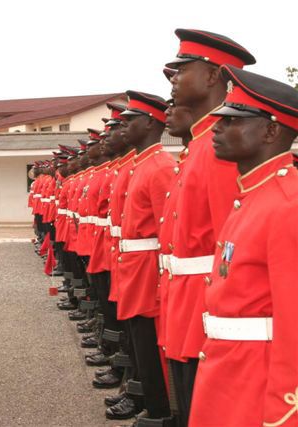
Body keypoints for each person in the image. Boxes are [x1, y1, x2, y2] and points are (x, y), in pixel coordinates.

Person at [189, 66, 298, 427]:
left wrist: (286, 408)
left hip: (257, 381)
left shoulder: (288, 204)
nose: (216, 128)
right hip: (229, 370)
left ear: (270, 130)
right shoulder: (251, 195)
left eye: (233, 121)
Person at [163, 29, 256, 426]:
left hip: (205, 305)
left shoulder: (219, 148)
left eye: (182, 70)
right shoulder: (200, 144)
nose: (172, 79)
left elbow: (228, 245)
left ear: (214, 76)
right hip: (187, 301)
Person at [116, 91, 175, 423]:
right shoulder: (143, 164)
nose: (124, 127)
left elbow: (168, 230)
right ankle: (149, 402)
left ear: (151, 123)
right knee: (139, 338)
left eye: (130, 120)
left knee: (150, 343)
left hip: (149, 268)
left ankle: (160, 410)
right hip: (134, 265)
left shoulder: (161, 166)